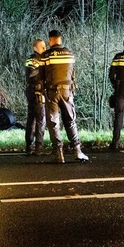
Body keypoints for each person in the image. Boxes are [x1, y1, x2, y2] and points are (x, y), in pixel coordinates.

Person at [40, 30, 89, 163]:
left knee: (54, 122)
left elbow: (41, 76)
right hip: (68, 91)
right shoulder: (70, 53)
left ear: (50, 40)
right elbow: (72, 73)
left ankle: (58, 153)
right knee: (70, 120)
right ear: (60, 39)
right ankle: (77, 150)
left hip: (52, 92)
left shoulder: (46, 55)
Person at [24, 38, 47, 155]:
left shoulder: (37, 59)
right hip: (36, 92)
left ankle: (29, 146)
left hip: (33, 91)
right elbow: (30, 74)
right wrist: (42, 68)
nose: (45, 48)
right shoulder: (34, 59)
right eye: (42, 46)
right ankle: (38, 147)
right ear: (35, 48)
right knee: (40, 120)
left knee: (31, 120)